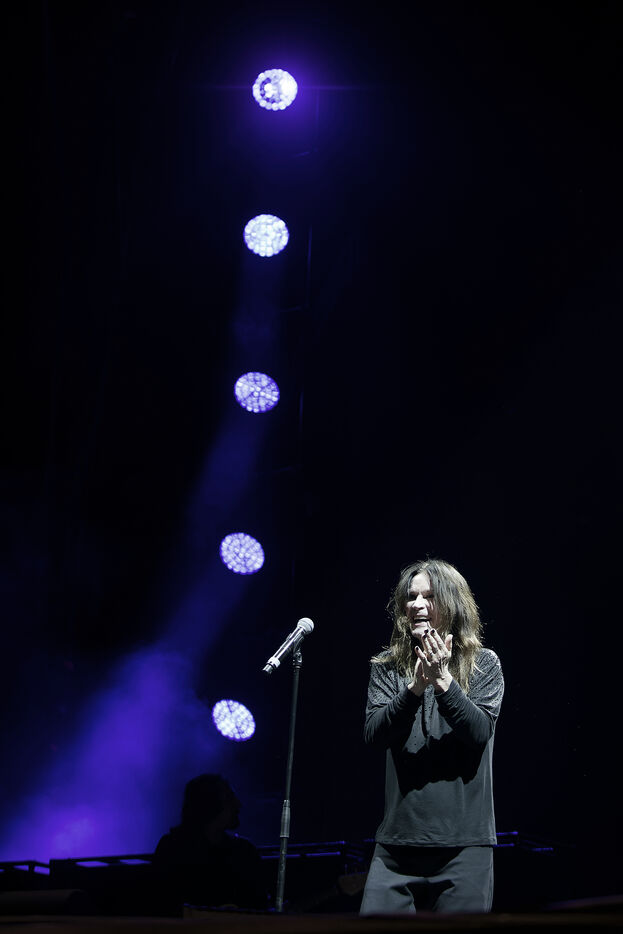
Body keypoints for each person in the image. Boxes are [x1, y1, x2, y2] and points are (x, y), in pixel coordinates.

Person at [360, 558, 504, 915]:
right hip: (396, 846)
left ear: (451, 604)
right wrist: (414, 689)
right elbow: (374, 736)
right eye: (412, 597)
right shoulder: (389, 667)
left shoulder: (483, 664)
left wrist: (442, 681)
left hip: (464, 846)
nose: (417, 605)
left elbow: (479, 733)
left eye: (429, 596)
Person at [153, 773, 268, 912]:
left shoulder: (245, 852)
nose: (238, 804)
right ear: (209, 805)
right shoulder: (172, 850)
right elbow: (164, 904)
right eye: (230, 799)